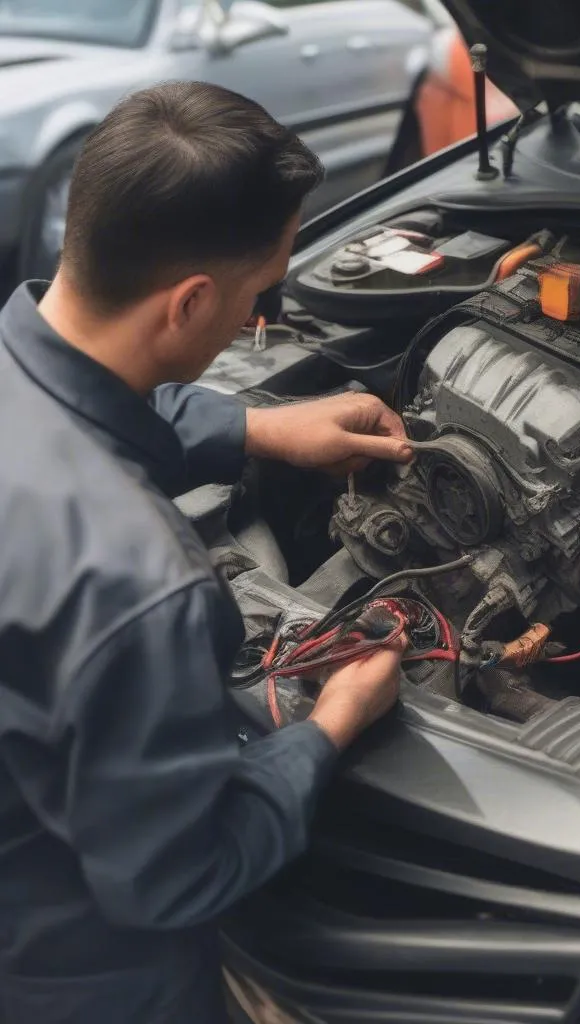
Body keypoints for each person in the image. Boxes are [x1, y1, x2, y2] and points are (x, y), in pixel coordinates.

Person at [0, 82, 413, 1023]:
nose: (256, 318)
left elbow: (81, 405)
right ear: (189, 303)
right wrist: (331, 726)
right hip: (80, 980)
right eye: (258, 295)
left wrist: (262, 429)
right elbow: (179, 877)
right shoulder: (139, 587)